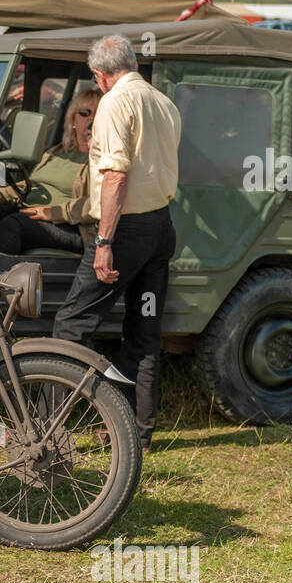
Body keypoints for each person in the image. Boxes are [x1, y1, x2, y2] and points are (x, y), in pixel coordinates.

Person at [53, 35, 181, 453]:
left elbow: (116, 175)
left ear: (99, 75)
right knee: (143, 332)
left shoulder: (113, 102)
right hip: (160, 227)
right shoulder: (163, 103)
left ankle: (47, 430)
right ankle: (138, 435)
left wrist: (104, 240)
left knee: (72, 324)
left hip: (124, 230)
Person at [0, 86, 103, 256]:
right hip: (34, 211)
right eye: (84, 112)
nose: (92, 118)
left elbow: (99, 203)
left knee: (15, 225)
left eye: (98, 113)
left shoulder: (103, 158)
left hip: (72, 226)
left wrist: (54, 213)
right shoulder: (58, 151)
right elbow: (33, 184)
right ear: (73, 120)